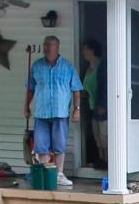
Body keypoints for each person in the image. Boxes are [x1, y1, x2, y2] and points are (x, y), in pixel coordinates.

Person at [25, 35, 82, 187]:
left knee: (59, 145)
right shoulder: (36, 66)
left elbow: (76, 89)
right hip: (41, 112)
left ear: (57, 47)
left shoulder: (68, 67)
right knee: (41, 145)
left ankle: (59, 174)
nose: (46, 48)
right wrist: (26, 106)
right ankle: (45, 172)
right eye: (45, 45)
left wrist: (77, 109)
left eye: (50, 45)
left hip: (60, 112)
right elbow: (30, 89)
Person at [80, 39, 108, 169]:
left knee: (104, 134)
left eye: (86, 49)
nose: (83, 52)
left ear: (92, 50)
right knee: (96, 135)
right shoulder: (88, 68)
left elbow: (104, 86)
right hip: (92, 106)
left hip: (102, 107)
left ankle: (108, 161)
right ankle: (100, 160)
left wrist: (103, 104)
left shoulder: (102, 66)